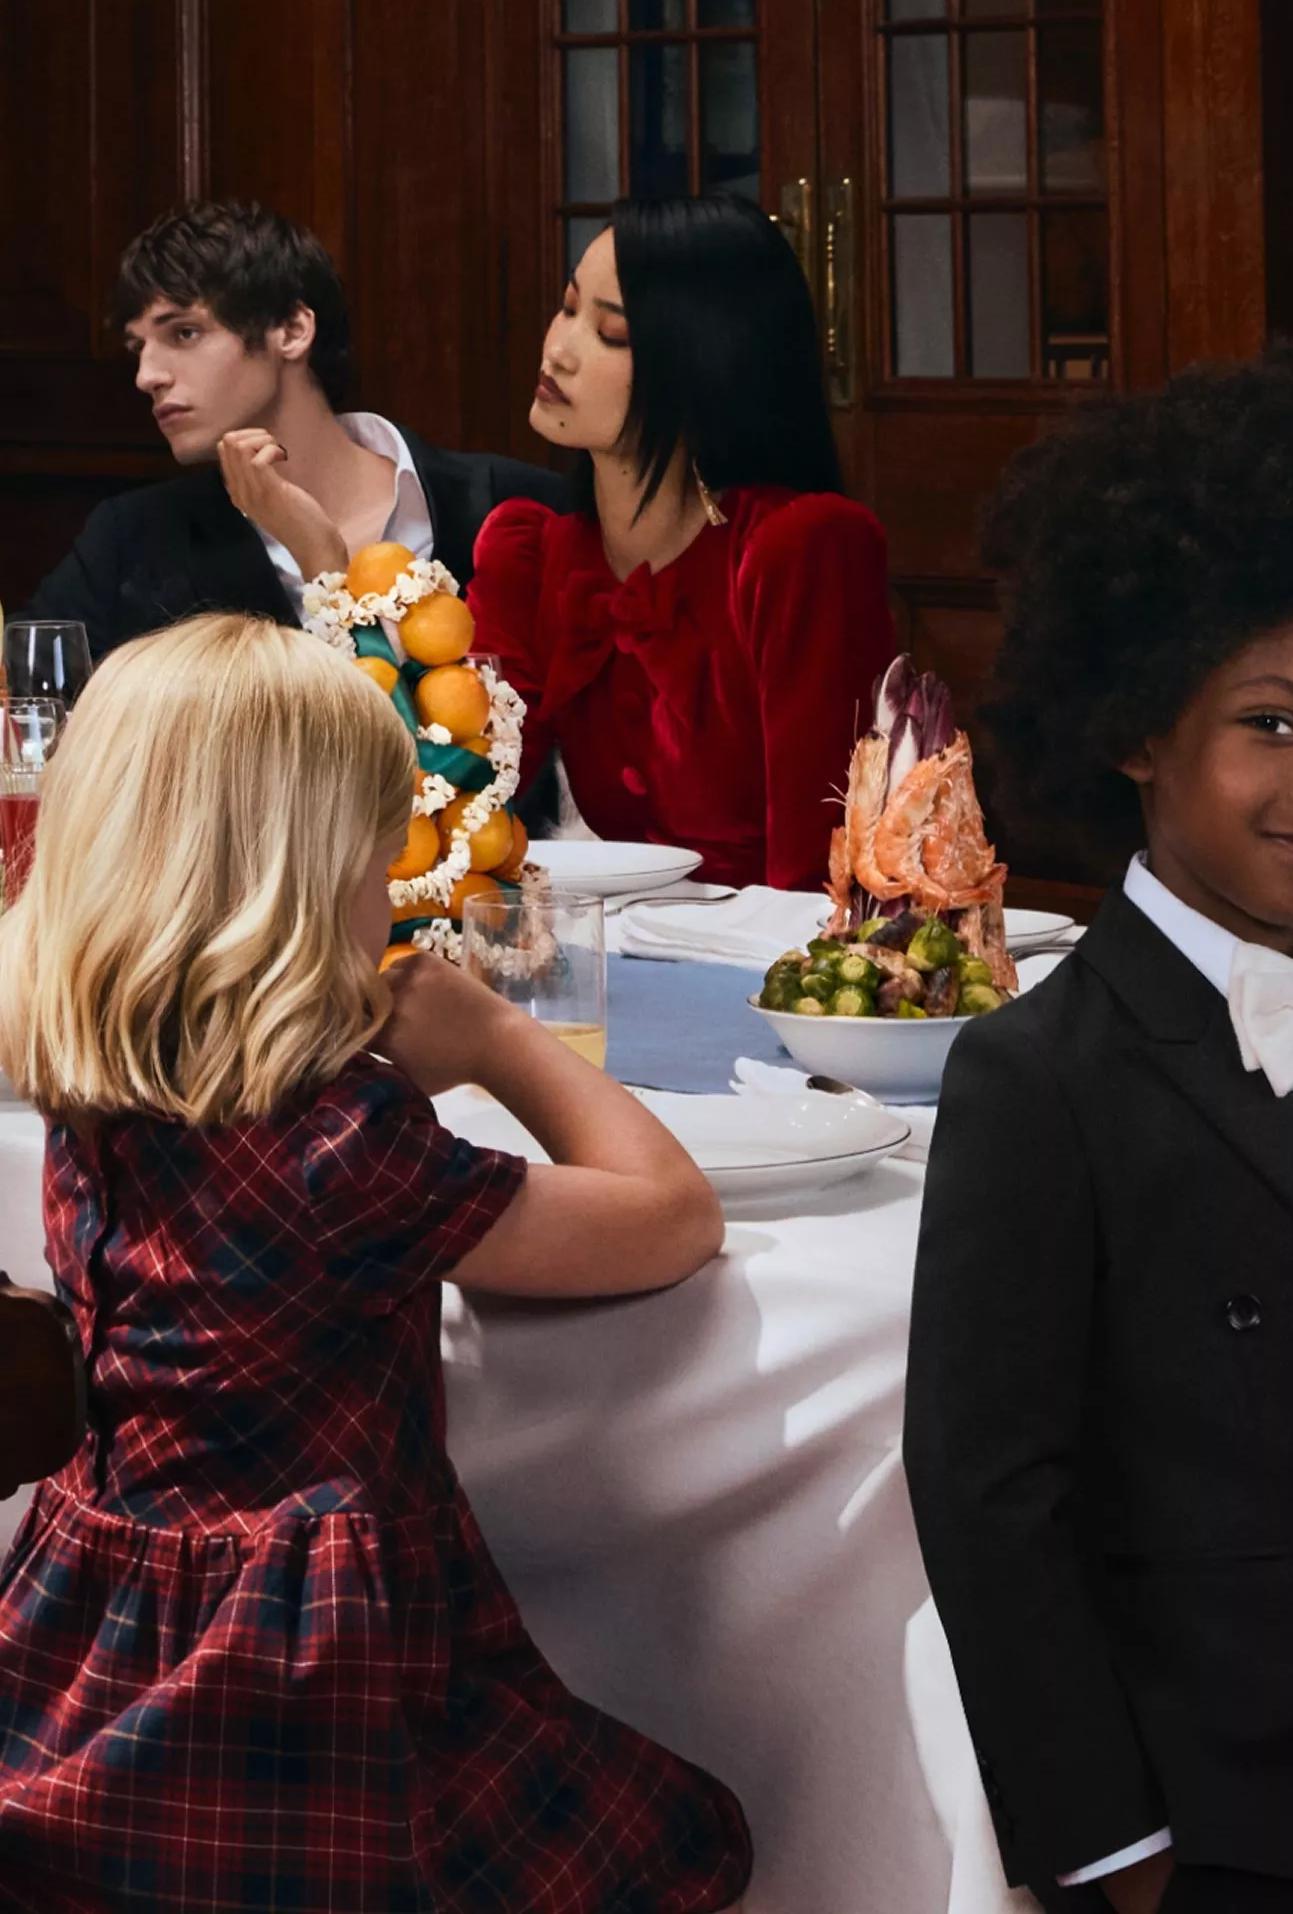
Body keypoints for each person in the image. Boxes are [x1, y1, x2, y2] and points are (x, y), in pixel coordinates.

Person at [0, 613, 751, 1914]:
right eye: (375, 854)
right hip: (301, 1692)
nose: (391, 892)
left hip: (90, 1648)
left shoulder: (93, 1101)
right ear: (289, 885)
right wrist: (499, 1037)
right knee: (695, 1842)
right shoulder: (348, 1150)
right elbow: (670, 1213)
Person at [905, 349, 1293, 1914]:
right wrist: (1115, 1848)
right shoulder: (1039, 1078)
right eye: (1272, 725)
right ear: (1134, 728)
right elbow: (990, 1505)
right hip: (1222, 1814)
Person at [466, 196, 896, 893]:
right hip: (616, 960)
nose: (558, 349)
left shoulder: (796, 550)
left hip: (781, 975)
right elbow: (462, 802)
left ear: (704, 361)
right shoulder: (533, 554)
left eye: (611, 333)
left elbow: (828, 873)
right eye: (568, 306)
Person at [25, 200, 566, 661]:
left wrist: (319, 556)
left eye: (184, 333)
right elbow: (24, 702)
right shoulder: (132, 539)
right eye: (138, 348)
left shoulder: (511, 507)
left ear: (292, 330)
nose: (148, 376)